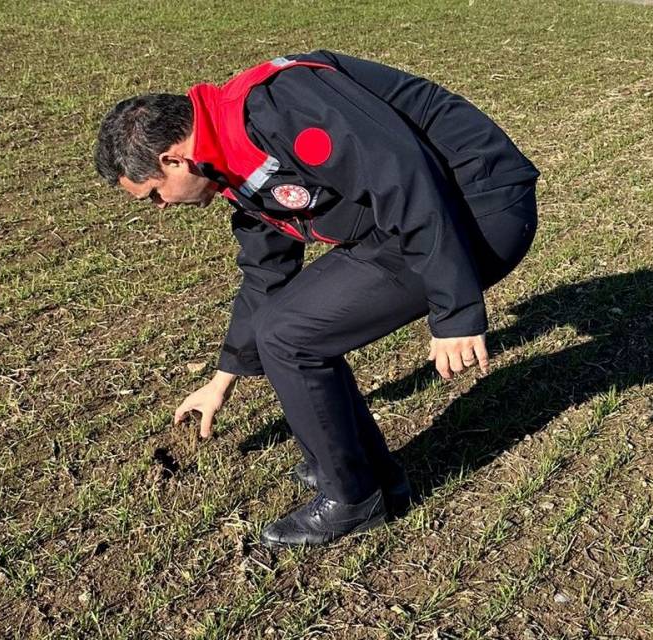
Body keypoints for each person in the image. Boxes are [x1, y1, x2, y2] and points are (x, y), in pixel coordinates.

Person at [93, 50, 539, 546]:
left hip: (477, 205)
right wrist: (223, 379)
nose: (160, 207)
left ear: (172, 159)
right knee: (284, 325)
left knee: (290, 334)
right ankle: (367, 472)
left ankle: (352, 496)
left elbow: (404, 175)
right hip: (421, 215)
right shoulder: (232, 158)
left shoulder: (279, 107)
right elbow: (265, 272)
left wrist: (454, 312)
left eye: (154, 193)